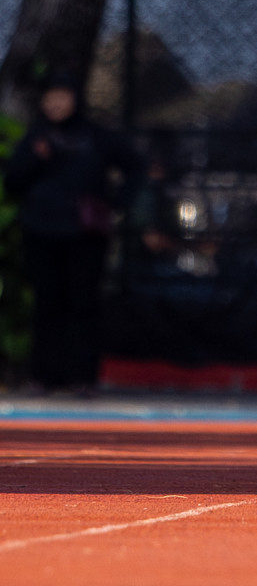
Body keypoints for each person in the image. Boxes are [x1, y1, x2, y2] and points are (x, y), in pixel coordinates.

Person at [4, 75, 142, 393]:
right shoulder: (37, 138)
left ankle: (82, 377)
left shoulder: (96, 138)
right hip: (41, 230)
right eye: (49, 97)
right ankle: (43, 376)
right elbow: (14, 181)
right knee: (46, 303)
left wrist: (117, 202)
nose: (55, 104)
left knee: (83, 303)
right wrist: (34, 158)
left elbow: (136, 166)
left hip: (84, 232)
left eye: (61, 96)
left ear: (75, 99)